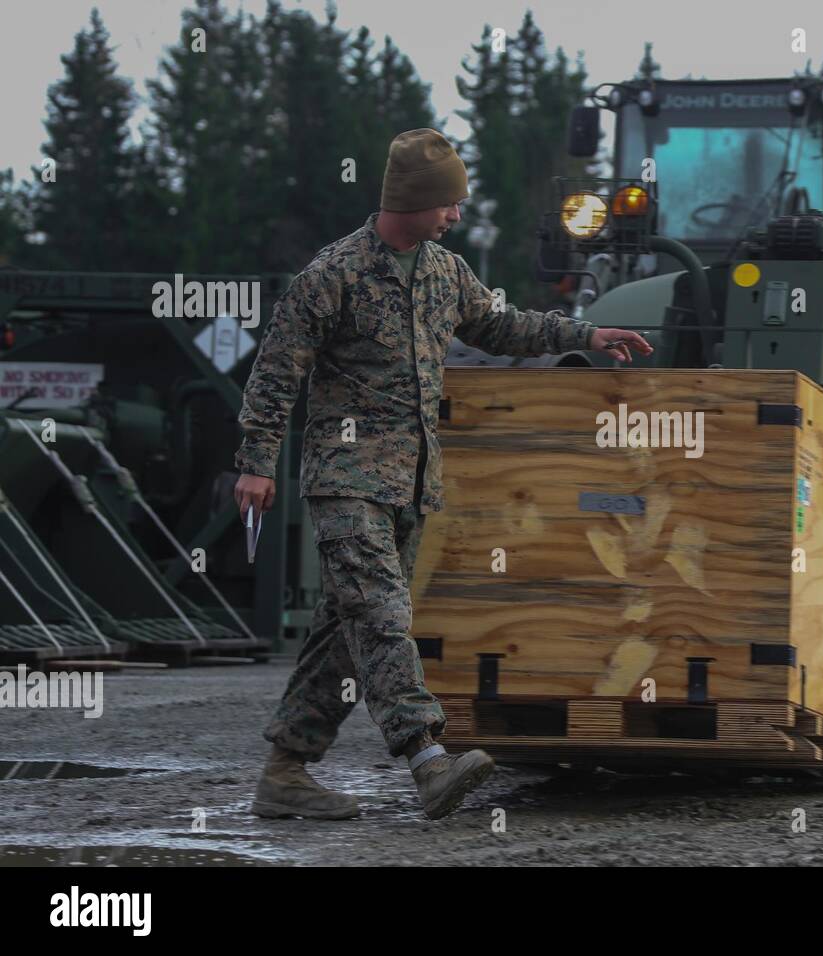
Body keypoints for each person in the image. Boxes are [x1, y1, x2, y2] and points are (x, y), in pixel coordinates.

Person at [234, 128, 653, 821]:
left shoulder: (444, 272)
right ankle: (427, 760)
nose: (456, 216)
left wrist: (587, 334)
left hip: (411, 485)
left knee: (343, 632)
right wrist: (254, 464)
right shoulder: (332, 274)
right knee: (383, 616)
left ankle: (284, 773)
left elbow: (503, 326)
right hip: (347, 481)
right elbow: (277, 371)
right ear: (412, 200)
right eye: (448, 204)